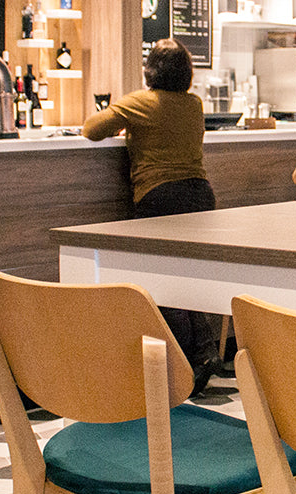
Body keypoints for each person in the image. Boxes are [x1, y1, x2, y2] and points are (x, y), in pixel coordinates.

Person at [81, 38, 221, 395]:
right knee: (191, 277)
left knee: (162, 281)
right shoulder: (194, 104)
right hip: (199, 194)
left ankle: (179, 365)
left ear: (150, 72)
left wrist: (125, 122)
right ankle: (204, 356)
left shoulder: (140, 102)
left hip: (160, 196)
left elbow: (91, 129)